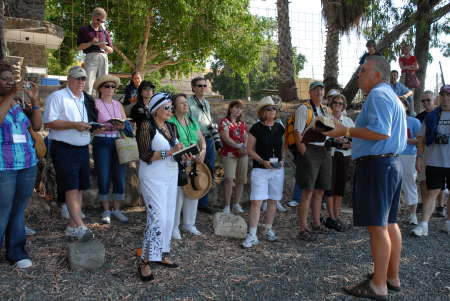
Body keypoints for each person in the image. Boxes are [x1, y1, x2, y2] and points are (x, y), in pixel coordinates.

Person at [325, 55, 406, 300]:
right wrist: (353, 137)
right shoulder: (392, 97)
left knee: (378, 226)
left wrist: (346, 130)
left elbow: (381, 132)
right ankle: (391, 277)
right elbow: (382, 133)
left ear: (378, 75)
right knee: (390, 223)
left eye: (363, 70)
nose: (359, 74)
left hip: (377, 166)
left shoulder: (379, 95)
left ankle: (379, 284)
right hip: (390, 164)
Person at [44, 66, 98, 241]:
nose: (81, 82)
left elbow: (86, 121)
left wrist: (92, 127)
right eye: (77, 79)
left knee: (80, 187)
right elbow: (49, 122)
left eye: (83, 79)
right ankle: (80, 225)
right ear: (68, 79)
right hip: (64, 148)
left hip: (82, 147)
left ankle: (72, 226)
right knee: (71, 187)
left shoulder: (85, 98)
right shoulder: (57, 97)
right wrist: (73, 125)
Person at [135, 92, 183, 281]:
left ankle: (162, 253)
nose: (171, 110)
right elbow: (145, 155)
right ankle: (144, 261)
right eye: (167, 107)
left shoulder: (171, 126)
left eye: (172, 107)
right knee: (157, 218)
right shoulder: (147, 125)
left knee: (169, 218)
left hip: (171, 175)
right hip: (153, 178)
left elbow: (176, 150)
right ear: (156, 110)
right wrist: (169, 152)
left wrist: (184, 153)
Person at [0, 62, 41, 269]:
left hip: (27, 163)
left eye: (11, 79)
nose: (9, 82)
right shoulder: (8, 100)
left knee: (18, 210)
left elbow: (36, 125)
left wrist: (34, 102)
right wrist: (11, 95)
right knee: (3, 210)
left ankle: (16, 252)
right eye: (4, 78)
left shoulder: (16, 103)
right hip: (4, 166)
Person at [242, 97, 285, 248]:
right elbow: (249, 150)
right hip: (260, 169)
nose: (272, 111)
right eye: (269, 109)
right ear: (262, 111)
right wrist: (262, 161)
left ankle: (268, 229)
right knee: (256, 201)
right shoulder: (256, 128)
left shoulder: (280, 127)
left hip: (277, 170)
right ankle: (252, 234)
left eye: (274, 109)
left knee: (273, 200)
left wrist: (283, 160)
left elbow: (282, 147)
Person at [294, 81, 332, 241]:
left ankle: (316, 222)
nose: (319, 92)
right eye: (316, 89)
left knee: (320, 190)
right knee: (307, 190)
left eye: (321, 89)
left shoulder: (326, 110)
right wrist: (305, 154)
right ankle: (303, 228)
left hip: (323, 150)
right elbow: (297, 133)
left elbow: (329, 131)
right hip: (310, 149)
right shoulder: (304, 108)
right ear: (309, 92)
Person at [412, 85, 450, 236]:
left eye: (448, 95)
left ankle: (448, 223)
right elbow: (420, 138)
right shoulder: (432, 116)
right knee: (431, 192)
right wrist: (419, 157)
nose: (446, 98)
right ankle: (423, 225)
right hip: (434, 161)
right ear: (439, 97)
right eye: (443, 95)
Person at [91, 75, 129, 224]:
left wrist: (122, 125)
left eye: (113, 86)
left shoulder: (118, 105)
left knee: (119, 175)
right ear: (100, 88)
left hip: (118, 141)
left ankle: (117, 209)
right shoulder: (95, 103)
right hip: (102, 141)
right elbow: (91, 124)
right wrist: (104, 126)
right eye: (107, 86)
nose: (110, 89)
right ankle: (106, 209)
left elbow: (126, 123)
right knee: (103, 175)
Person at [169, 93, 206, 239]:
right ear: (174, 106)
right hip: (179, 163)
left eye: (186, 102)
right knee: (178, 197)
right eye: (181, 103)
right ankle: (174, 227)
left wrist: (202, 151)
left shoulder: (191, 120)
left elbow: (201, 139)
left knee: (193, 192)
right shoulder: (171, 121)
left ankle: (189, 224)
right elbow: (174, 143)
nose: (185, 105)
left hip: (194, 162)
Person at [187, 77, 219, 214]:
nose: (203, 88)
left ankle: (203, 202)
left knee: (208, 170)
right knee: (194, 169)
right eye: (199, 86)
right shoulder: (188, 103)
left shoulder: (206, 103)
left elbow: (208, 120)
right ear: (193, 87)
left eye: (205, 86)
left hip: (208, 139)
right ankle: (191, 201)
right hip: (195, 140)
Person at [323, 94, 354, 232]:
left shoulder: (348, 121)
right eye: (335, 102)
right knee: (330, 186)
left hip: (344, 156)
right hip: (330, 155)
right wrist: (336, 141)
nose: (338, 105)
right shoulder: (325, 120)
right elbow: (323, 138)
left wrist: (347, 144)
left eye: (340, 103)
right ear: (331, 104)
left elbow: (355, 139)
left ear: (344, 105)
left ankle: (337, 215)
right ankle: (331, 216)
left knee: (340, 186)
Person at [219, 100, 248, 214]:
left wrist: (244, 146)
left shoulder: (242, 124)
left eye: (240, 109)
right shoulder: (224, 122)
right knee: (229, 179)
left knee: (241, 180)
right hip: (229, 154)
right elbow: (225, 138)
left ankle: (236, 203)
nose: (238, 110)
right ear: (230, 108)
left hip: (242, 154)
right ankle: (227, 205)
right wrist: (238, 146)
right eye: (236, 108)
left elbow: (245, 136)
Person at [77, 7, 113, 95]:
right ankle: (88, 105)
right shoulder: (84, 29)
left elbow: (111, 50)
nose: (100, 22)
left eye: (102, 21)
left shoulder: (105, 32)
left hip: (103, 57)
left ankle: (101, 105)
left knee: (103, 83)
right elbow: (79, 47)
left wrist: (105, 47)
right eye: (98, 20)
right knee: (89, 84)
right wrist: (91, 43)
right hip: (90, 56)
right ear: (93, 17)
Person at [398, 98, 421, 225]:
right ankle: (392, 214)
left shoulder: (414, 121)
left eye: (402, 104)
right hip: (394, 155)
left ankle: (413, 215)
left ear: (406, 107)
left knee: (410, 183)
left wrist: (404, 139)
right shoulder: (393, 120)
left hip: (409, 156)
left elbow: (419, 141)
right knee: (394, 184)